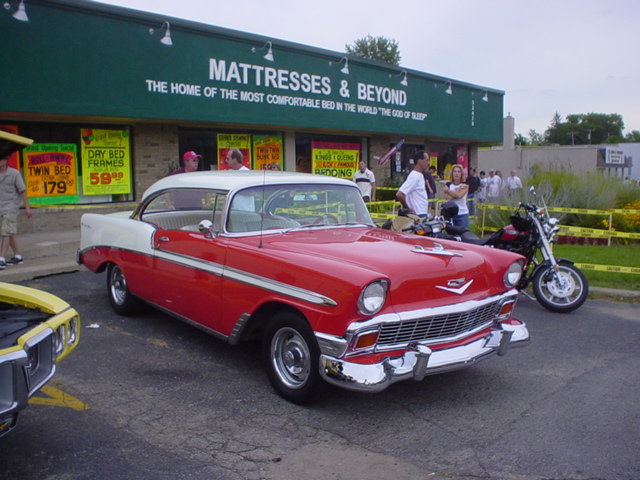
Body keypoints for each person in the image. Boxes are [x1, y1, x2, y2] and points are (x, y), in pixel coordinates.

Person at [0, 154, 32, 269]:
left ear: (5, 161)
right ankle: (18, 256)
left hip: (11, 207)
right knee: (9, 232)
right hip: (0, 207)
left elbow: (22, 191)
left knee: (6, 232)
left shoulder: (14, 174)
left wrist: (27, 207)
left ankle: (1, 259)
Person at [396, 150, 429, 217]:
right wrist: (408, 208)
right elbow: (399, 194)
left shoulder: (420, 175)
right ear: (420, 161)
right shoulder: (414, 176)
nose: (428, 163)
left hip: (422, 212)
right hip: (418, 214)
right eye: (427, 160)